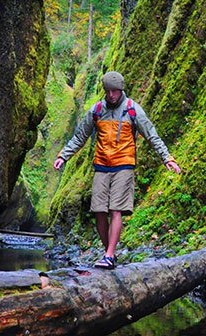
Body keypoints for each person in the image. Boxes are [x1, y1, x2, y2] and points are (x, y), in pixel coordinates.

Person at [53, 71, 181, 269]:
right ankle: (108, 253)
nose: (112, 94)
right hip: (101, 165)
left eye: (115, 91)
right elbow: (80, 136)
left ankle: (110, 254)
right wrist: (63, 156)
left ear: (121, 90)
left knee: (115, 209)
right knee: (98, 210)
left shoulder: (132, 110)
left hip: (124, 164)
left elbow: (152, 136)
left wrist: (167, 159)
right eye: (109, 91)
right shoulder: (96, 110)